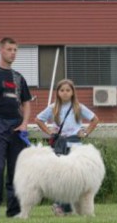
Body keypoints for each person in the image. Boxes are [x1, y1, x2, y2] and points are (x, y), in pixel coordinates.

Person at [0, 37, 33, 219]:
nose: (13, 53)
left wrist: (24, 124)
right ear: (1, 50)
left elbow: (26, 103)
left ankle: (15, 211)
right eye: (10, 49)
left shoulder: (19, 78)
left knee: (16, 171)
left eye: (15, 50)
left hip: (16, 126)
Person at [35, 79, 99, 216]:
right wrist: (49, 131)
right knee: (61, 178)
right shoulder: (53, 108)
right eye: (62, 90)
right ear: (57, 92)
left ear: (72, 92)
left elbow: (95, 119)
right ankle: (60, 206)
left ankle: (68, 207)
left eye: (68, 90)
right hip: (60, 147)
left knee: (74, 178)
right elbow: (38, 119)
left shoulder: (78, 107)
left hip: (76, 147)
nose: (65, 93)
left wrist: (86, 132)